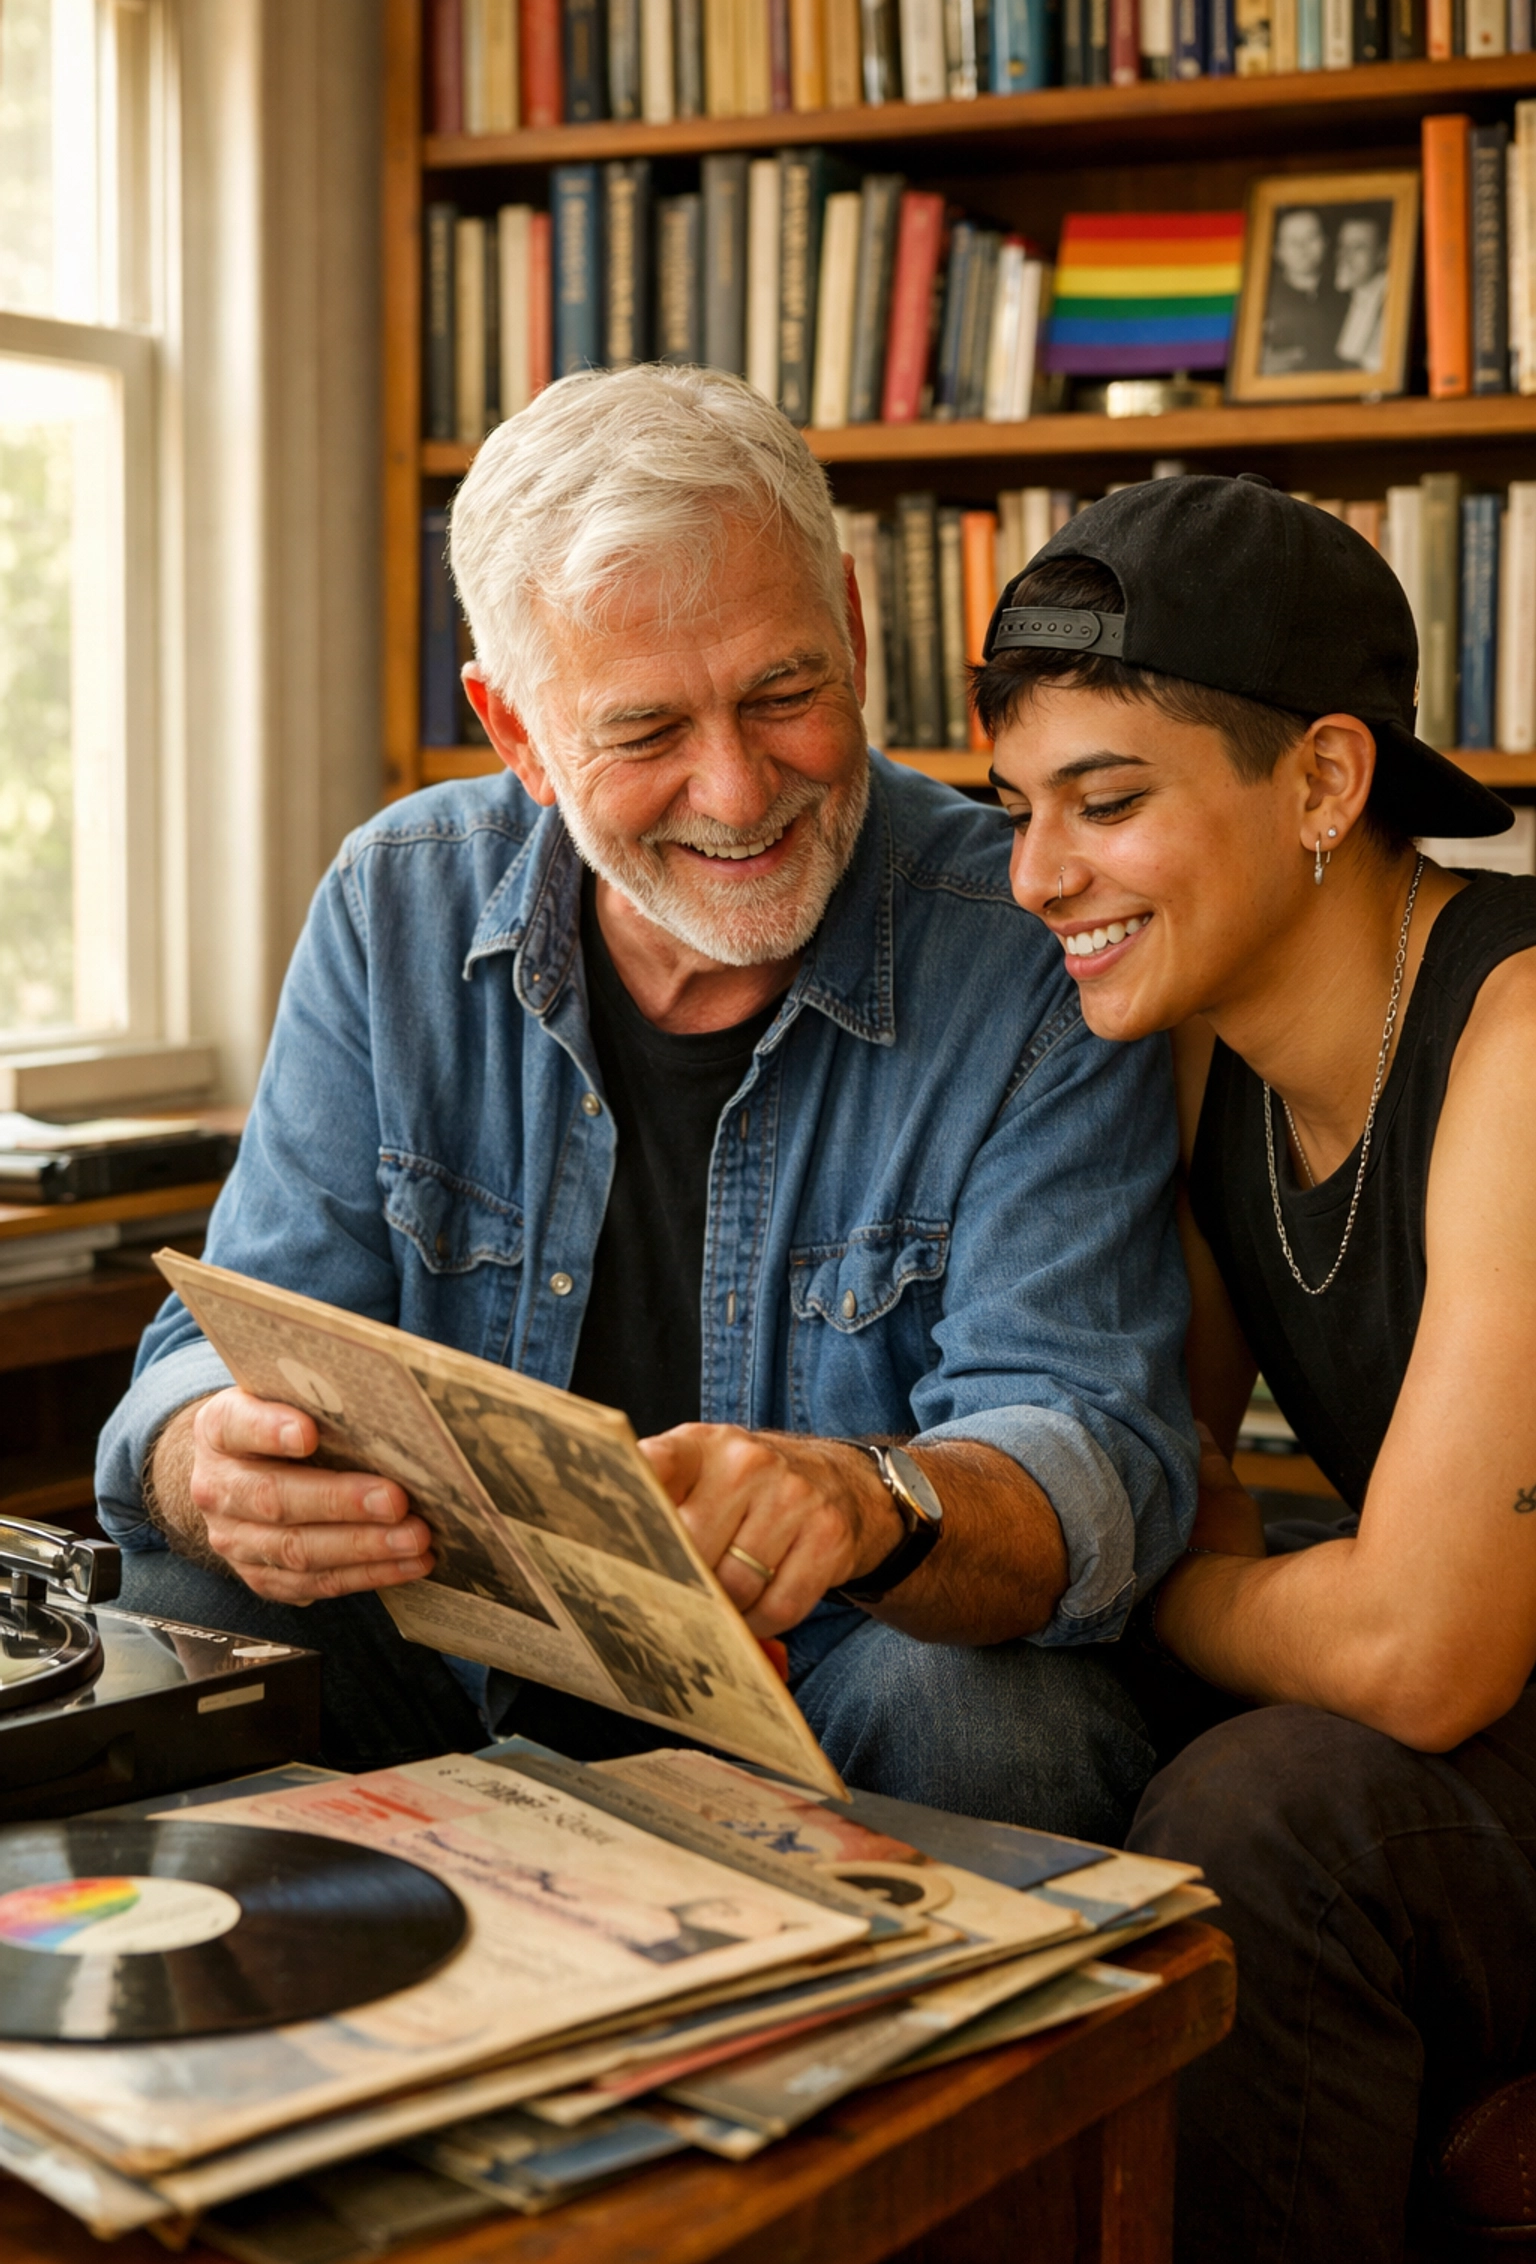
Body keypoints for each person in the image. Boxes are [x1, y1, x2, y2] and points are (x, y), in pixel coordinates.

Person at [95, 366, 1197, 1838]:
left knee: (994, 1715)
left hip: (836, 1693)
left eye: (784, 694)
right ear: (517, 733)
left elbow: (1090, 1449)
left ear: (856, 633)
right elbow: (209, 1348)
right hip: (449, 1675)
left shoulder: (1029, 939)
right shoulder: (396, 901)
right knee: (171, 1606)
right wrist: (209, 1458)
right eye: (644, 733)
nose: (738, 792)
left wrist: (877, 1502)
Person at [974, 470, 1536, 2264]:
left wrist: (1194, 1589)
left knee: (1260, 1805)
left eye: (1106, 800)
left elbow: (1416, 1649)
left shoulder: (1520, 1046)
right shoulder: (1202, 1063)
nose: (1035, 874)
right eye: (1016, 807)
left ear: (1322, 779)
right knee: (1003, 1723)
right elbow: (1165, 1468)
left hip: (1488, 1720)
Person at [1260, 207, 1346, 375]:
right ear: (1277, 250)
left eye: (1311, 237)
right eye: (1292, 241)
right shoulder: (1262, 295)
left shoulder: (1346, 290)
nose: (1302, 247)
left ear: (1326, 242)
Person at [1333, 210, 1390, 372]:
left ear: (1382, 254)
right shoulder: (1347, 299)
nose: (1344, 256)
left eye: (1358, 248)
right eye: (1342, 246)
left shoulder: (1392, 302)